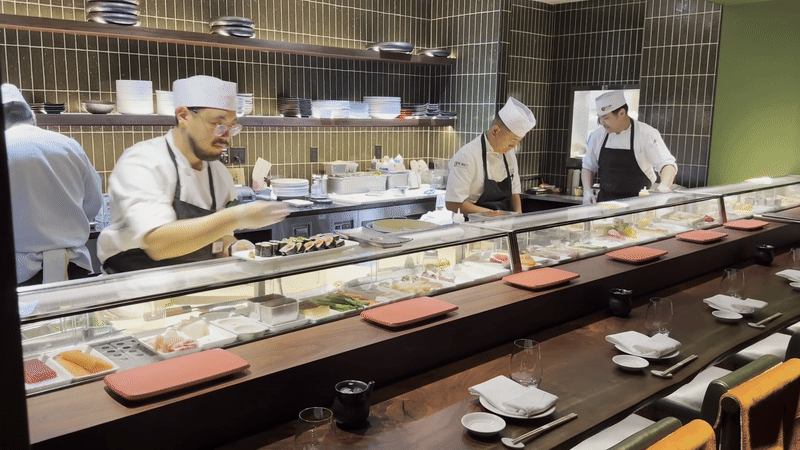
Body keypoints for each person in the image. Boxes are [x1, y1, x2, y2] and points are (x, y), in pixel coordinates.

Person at [98, 75, 288, 273]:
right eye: (218, 124)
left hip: (196, 289)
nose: (225, 136)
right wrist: (237, 217)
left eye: (232, 127)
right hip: (138, 293)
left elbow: (218, 238)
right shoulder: (142, 162)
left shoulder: (219, 173)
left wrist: (233, 246)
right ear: (183, 116)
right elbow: (158, 244)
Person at [2, 83, 103, 286]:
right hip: (73, 267)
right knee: (79, 318)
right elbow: (93, 204)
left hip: (21, 274)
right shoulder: (70, 145)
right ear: (34, 118)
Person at [581, 91, 677, 203]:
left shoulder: (646, 134)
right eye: (600, 118)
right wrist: (587, 191)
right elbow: (588, 166)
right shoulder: (597, 135)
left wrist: (664, 186)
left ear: (621, 113)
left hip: (638, 207)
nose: (602, 122)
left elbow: (667, 164)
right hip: (605, 206)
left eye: (606, 118)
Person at [445, 97, 536, 215]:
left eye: (518, 141)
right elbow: (453, 203)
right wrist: (491, 214)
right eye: (512, 140)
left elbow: (514, 191)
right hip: (472, 226)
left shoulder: (509, 153)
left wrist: (518, 214)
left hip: (503, 224)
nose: (514, 145)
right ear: (495, 131)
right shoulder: (466, 156)